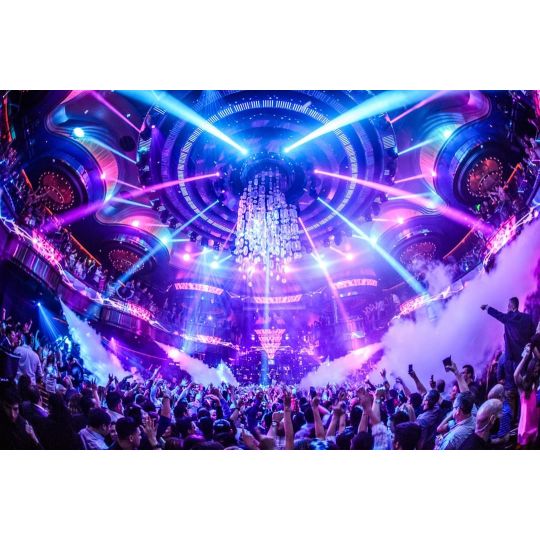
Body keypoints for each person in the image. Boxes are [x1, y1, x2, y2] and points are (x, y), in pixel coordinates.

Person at [481, 297, 536, 416]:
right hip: (527, 357)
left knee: (516, 389)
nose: (507, 308)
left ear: (512, 306)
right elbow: (533, 335)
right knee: (527, 387)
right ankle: (530, 412)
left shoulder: (508, 318)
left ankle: (519, 418)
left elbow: (497, 314)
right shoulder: (527, 318)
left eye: (508, 306)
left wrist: (487, 307)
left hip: (514, 359)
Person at [513, 340, 539, 448]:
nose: (538, 369)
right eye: (536, 366)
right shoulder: (524, 388)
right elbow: (516, 375)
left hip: (536, 430)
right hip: (525, 432)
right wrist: (525, 358)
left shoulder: (538, 387)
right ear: (531, 368)